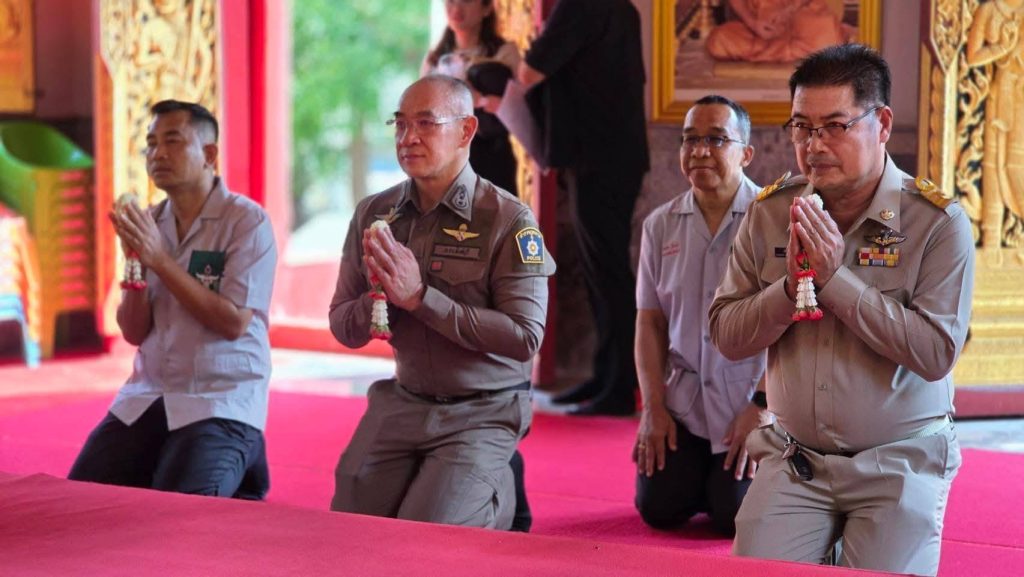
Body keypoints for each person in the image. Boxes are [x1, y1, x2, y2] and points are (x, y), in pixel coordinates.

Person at [709, 44, 975, 576]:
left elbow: (935, 353)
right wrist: (790, 289)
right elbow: (727, 335)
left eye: (834, 126)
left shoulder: (935, 223)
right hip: (796, 462)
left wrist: (834, 281)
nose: (814, 145)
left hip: (898, 463)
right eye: (801, 127)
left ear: (882, 124)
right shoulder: (771, 213)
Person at [328, 75, 555, 530]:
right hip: (403, 401)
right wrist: (379, 300)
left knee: (428, 536)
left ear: (466, 131)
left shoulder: (509, 219)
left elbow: (525, 336)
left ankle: (501, 493)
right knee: (351, 528)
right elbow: (342, 325)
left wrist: (420, 298)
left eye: (426, 124)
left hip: (483, 408)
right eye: (400, 124)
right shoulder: (375, 214)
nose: (408, 137)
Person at [68, 100, 278, 499]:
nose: (157, 154)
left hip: (220, 399)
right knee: (80, 499)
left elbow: (233, 322)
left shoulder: (246, 222)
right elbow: (134, 332)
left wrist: (160, 260)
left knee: (178, 512)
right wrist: (135, 264)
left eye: (172, 141)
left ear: (209, 155)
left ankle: (244, 458)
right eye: (151, 144)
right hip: (149, 396)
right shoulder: (150, 222)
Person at [633, 95, 769, 536]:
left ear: (746, 153)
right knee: (658, 508)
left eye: (716, 139)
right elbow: (650, 322)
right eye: (690, 139)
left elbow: (796, 325)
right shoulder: (660, 225)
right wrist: (654, 408)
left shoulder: (773, 220)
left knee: (734, 517)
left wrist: (764, 407)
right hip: (686, 401)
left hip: (746, 398)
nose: (699, 151)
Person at [518, 0, 649, 415]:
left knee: (607, 272)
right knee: (602, 272)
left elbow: (530, 72)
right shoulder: (621, 7)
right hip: (610, 155)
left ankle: (619, 386)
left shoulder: (581, 5)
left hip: (600, 157)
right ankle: (606, 375)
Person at [423, 0, 520, 195]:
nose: (456, 8)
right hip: (447, 162)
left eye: (466, 1)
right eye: (451, 1)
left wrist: (481, 99)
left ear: (487, 8)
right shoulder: (434, 60)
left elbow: (522, 112)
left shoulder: (504, 54)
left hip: (493, 159)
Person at [705, 0, 848, 64]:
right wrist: (752, 23)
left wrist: (788, 11)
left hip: (800, 14)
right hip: (758, 25)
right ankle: (779, 47)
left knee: (827, 36)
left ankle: (769, 49)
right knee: (718, 40)